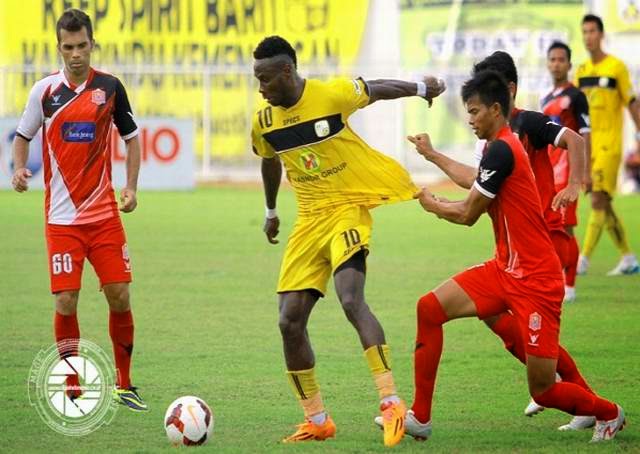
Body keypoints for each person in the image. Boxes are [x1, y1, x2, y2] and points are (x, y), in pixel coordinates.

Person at [406, 69, 625, 445]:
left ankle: (608, 412)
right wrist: (432, 157)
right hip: (504, 269)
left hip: (537, 281)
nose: (470, 120)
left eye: (474, 112)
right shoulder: (497, 149)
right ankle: (420, 417)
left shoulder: (506, 147)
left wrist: (432, 204)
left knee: (542, 390)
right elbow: (472, 186)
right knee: (429, 308)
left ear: (496, 108)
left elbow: (468, 214)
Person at [250, 35, 445, 446]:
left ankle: (392, 403)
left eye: (265, 79)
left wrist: (422, 87)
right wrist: (271, 211)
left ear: (287, 71)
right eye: (257, 79)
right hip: (308, 221)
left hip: (346, 210)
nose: (261, 88)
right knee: (288, 321)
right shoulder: (264, 121)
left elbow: (376, 89)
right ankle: (317, 419)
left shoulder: (330, 94)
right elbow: (269, 159)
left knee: (351, 298)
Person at [11, 9, 147, 412]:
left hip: (104, 216)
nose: (76, 54)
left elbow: (133, 139)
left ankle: (125, 385)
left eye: (82, 46)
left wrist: (131, 187)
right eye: (68, 47)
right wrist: (19, 168)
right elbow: (22, 137)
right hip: (61, 220)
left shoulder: (109, 87)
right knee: (65, 302)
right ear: (59, 48)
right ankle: (72, 385)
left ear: (92, 44)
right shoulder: (45, 92)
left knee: (119, 295)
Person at [575, 13, 640, 275]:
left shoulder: (617, 67)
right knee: (604, 202)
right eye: (585, 32)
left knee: (598, 200)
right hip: (587, 146)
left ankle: (583, 259)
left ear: (601, 34)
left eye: (592, 31)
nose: (588, 37)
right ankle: (628, 258)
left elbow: (632, 103)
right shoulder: (581, 71)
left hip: (609, 146)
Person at [541, 41, 591, 302]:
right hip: (550, 172)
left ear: (569, 64)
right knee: (552, 229)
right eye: (553, 59)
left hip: (569, 171)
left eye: (561, 59)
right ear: (548, 63)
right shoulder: (546, 99)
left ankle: (569, 286)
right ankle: (556, 279)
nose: (557, 64)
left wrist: (585, 172)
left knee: (567, 228)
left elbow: (584, 134)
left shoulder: (576, 96)